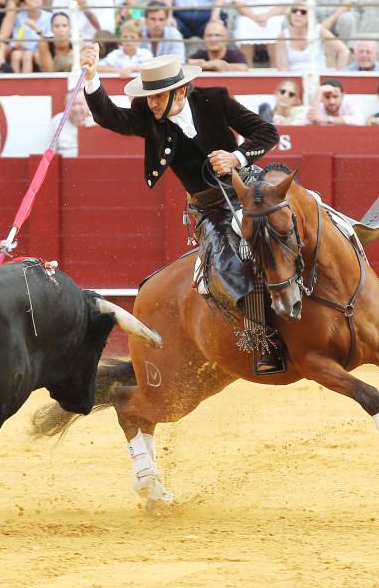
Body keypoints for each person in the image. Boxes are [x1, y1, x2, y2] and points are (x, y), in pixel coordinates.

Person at [78, 46, 280, 371]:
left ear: (181, 91)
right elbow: (109, 117)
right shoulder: (147, 115)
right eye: (149, 97)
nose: (152, 103)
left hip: (248, 185)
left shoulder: (215, 99)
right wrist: (91, 75)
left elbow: (267, 132)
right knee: (231, 260)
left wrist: (237, 158)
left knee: (295, 214)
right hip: (209, 207)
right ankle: (262, 337)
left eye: (158, 96)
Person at [275, 0, 349, 72]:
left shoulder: (319, 30)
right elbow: (282, 69)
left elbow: (344, 51)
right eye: (294, 11)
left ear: (310, 15)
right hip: (294, 81)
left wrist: (339, 76)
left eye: (303, 12)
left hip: (320, 78)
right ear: (290, 14)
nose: (298, 14)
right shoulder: (283, 36)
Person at [232, 0, 293, 67]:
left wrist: (268, 15)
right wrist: (254, 17)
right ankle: (248, 69)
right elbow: (238, 2)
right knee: (244, 24)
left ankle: (275, 68)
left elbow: (285, 3)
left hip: (275, 14)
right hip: (249, 15)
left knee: (274, 25)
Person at [10, 0, 51, 72]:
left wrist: (35, 28)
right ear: (23, 4)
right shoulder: (19, 18)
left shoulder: (49, 17)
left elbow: (49, 39)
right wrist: (16, 44)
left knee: (28, 55)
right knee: (15, 55)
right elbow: (16, 37)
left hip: (40, 49)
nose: (37, 1)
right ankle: (14, 83)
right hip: (23, 48)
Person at [51, 0, 116, 41]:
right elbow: (56, 32)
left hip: (97, 47)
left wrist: (85, 7)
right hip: (70, 47)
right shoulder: (58, 1)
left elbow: (106, 32)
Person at [158, 0, 224, 40]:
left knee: (217, 30)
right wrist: (169, 16)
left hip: (207, 15)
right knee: (168, 28)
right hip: (180, 16)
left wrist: (215, 16)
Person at [47, 90, 95, 156]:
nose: (76, 109)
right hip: (64, 164)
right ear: (66, 106)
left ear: (88, 105)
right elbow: (49, 152)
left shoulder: (98, 121)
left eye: (80, 104)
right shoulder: (57, 122)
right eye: (72, 104)